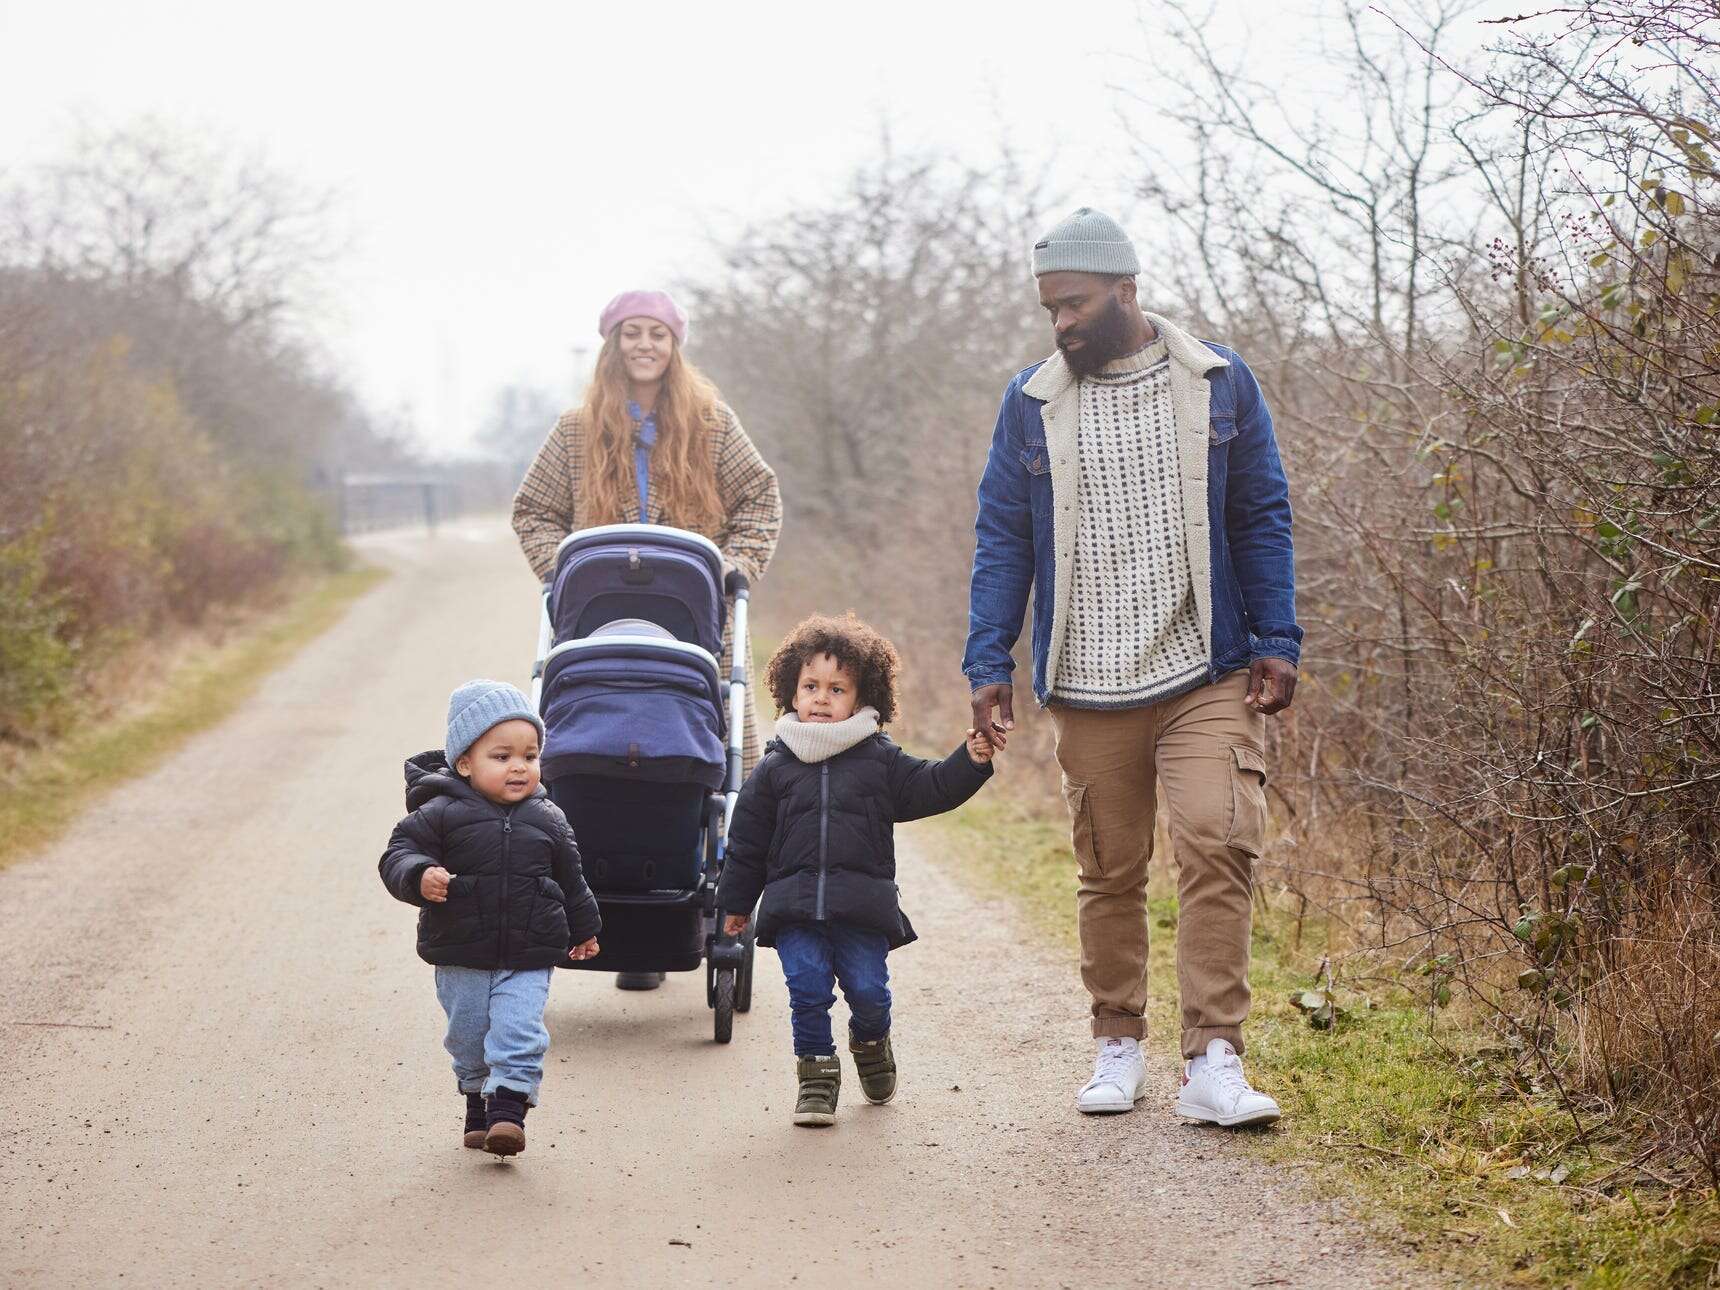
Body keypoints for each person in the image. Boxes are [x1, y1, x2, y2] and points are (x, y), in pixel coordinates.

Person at [964, 208, 1302, 1125]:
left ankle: (1214, 1062)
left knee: (1215, 840)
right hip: (1087, 676)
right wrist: (988, 657)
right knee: (1110, 868)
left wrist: (1278, 638)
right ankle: (1118, 1042)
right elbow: (1003, 538)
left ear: (1126, 290)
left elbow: (1261, 515)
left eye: (1073, 304)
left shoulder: (1219, 384)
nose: (1061, 324)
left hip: (1208, 664)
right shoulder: (1031, 400)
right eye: (1049, 310)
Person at [512, 288, 782, 991]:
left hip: (695, 622)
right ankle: (620, 916)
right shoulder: (575, 430)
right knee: (600, 750)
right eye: (631, 333)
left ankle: (695, 895)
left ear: (675, 345)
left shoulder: (712, 424)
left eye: (657, 334)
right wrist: (562, 569)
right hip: (597, 628)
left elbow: (760, 497)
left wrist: (736, 568)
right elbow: (533, 511)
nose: (644, 345)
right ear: (612, 343)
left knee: (703, 756)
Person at [716, 614, 997, 1127]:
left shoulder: (878, 760)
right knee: (806, 987)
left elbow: (932, 786)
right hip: (794, 909)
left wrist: (970, 760)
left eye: (836, 688)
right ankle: (817, 1078)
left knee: (868, 991)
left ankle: (870, 1041)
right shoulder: (774, 769)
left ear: (862, 698)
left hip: (861, 909)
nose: (821, 698)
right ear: (790, 692)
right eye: (810, 686)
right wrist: (736, 904)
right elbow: (747, 843)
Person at [379, 680, 601, 1156]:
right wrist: (418, 875)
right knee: (469, 1037)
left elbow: (572, 877)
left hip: (529, 953)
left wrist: (585, 928)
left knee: (519, 1030)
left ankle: (508, 1110)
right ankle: (476, 1100)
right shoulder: (438, 813)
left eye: (530, 755)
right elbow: (397, 854)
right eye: (502, 757)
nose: (519, 766)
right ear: (465, 763)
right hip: (461, 951)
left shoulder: (548, 817)